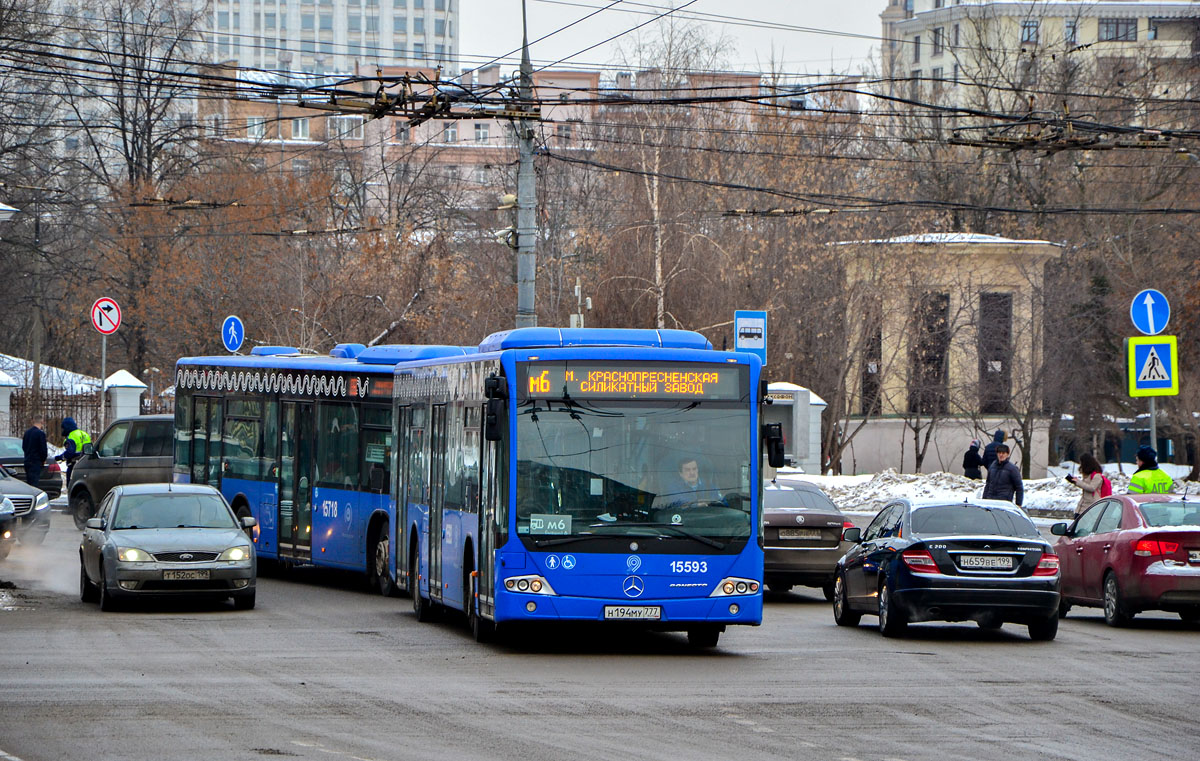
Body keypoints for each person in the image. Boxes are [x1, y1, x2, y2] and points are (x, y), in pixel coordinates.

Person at [55, 416, 91, 483]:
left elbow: (70, 452)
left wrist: (60, 457)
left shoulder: (71, 436)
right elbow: (89, 450)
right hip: (86, 464)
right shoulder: (84, 434)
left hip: (74, 465)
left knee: (71, 485)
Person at [21, 416, 48, 488]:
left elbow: (24, 447)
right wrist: (43, 459)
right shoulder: (40, 434)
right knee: (34, 484)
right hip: (36, 462)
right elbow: (43, 449)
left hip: (27, 461)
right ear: (42, 422)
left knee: (29, 482)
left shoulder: (27, 433)